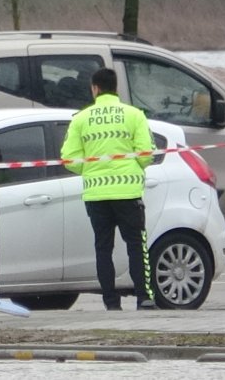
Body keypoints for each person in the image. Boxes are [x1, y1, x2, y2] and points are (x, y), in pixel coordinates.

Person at [60, 67, 157, 311]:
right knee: (136, 245)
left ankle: (111, 304)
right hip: (128, 193)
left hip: (96, 194)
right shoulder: (134, 115)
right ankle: (144, 297)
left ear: (95, 88)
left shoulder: (80, 118)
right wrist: (131, 166)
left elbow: (69, 158)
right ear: (116, 89)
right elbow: (146, 154)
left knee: (103, 248)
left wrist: (91, 171)